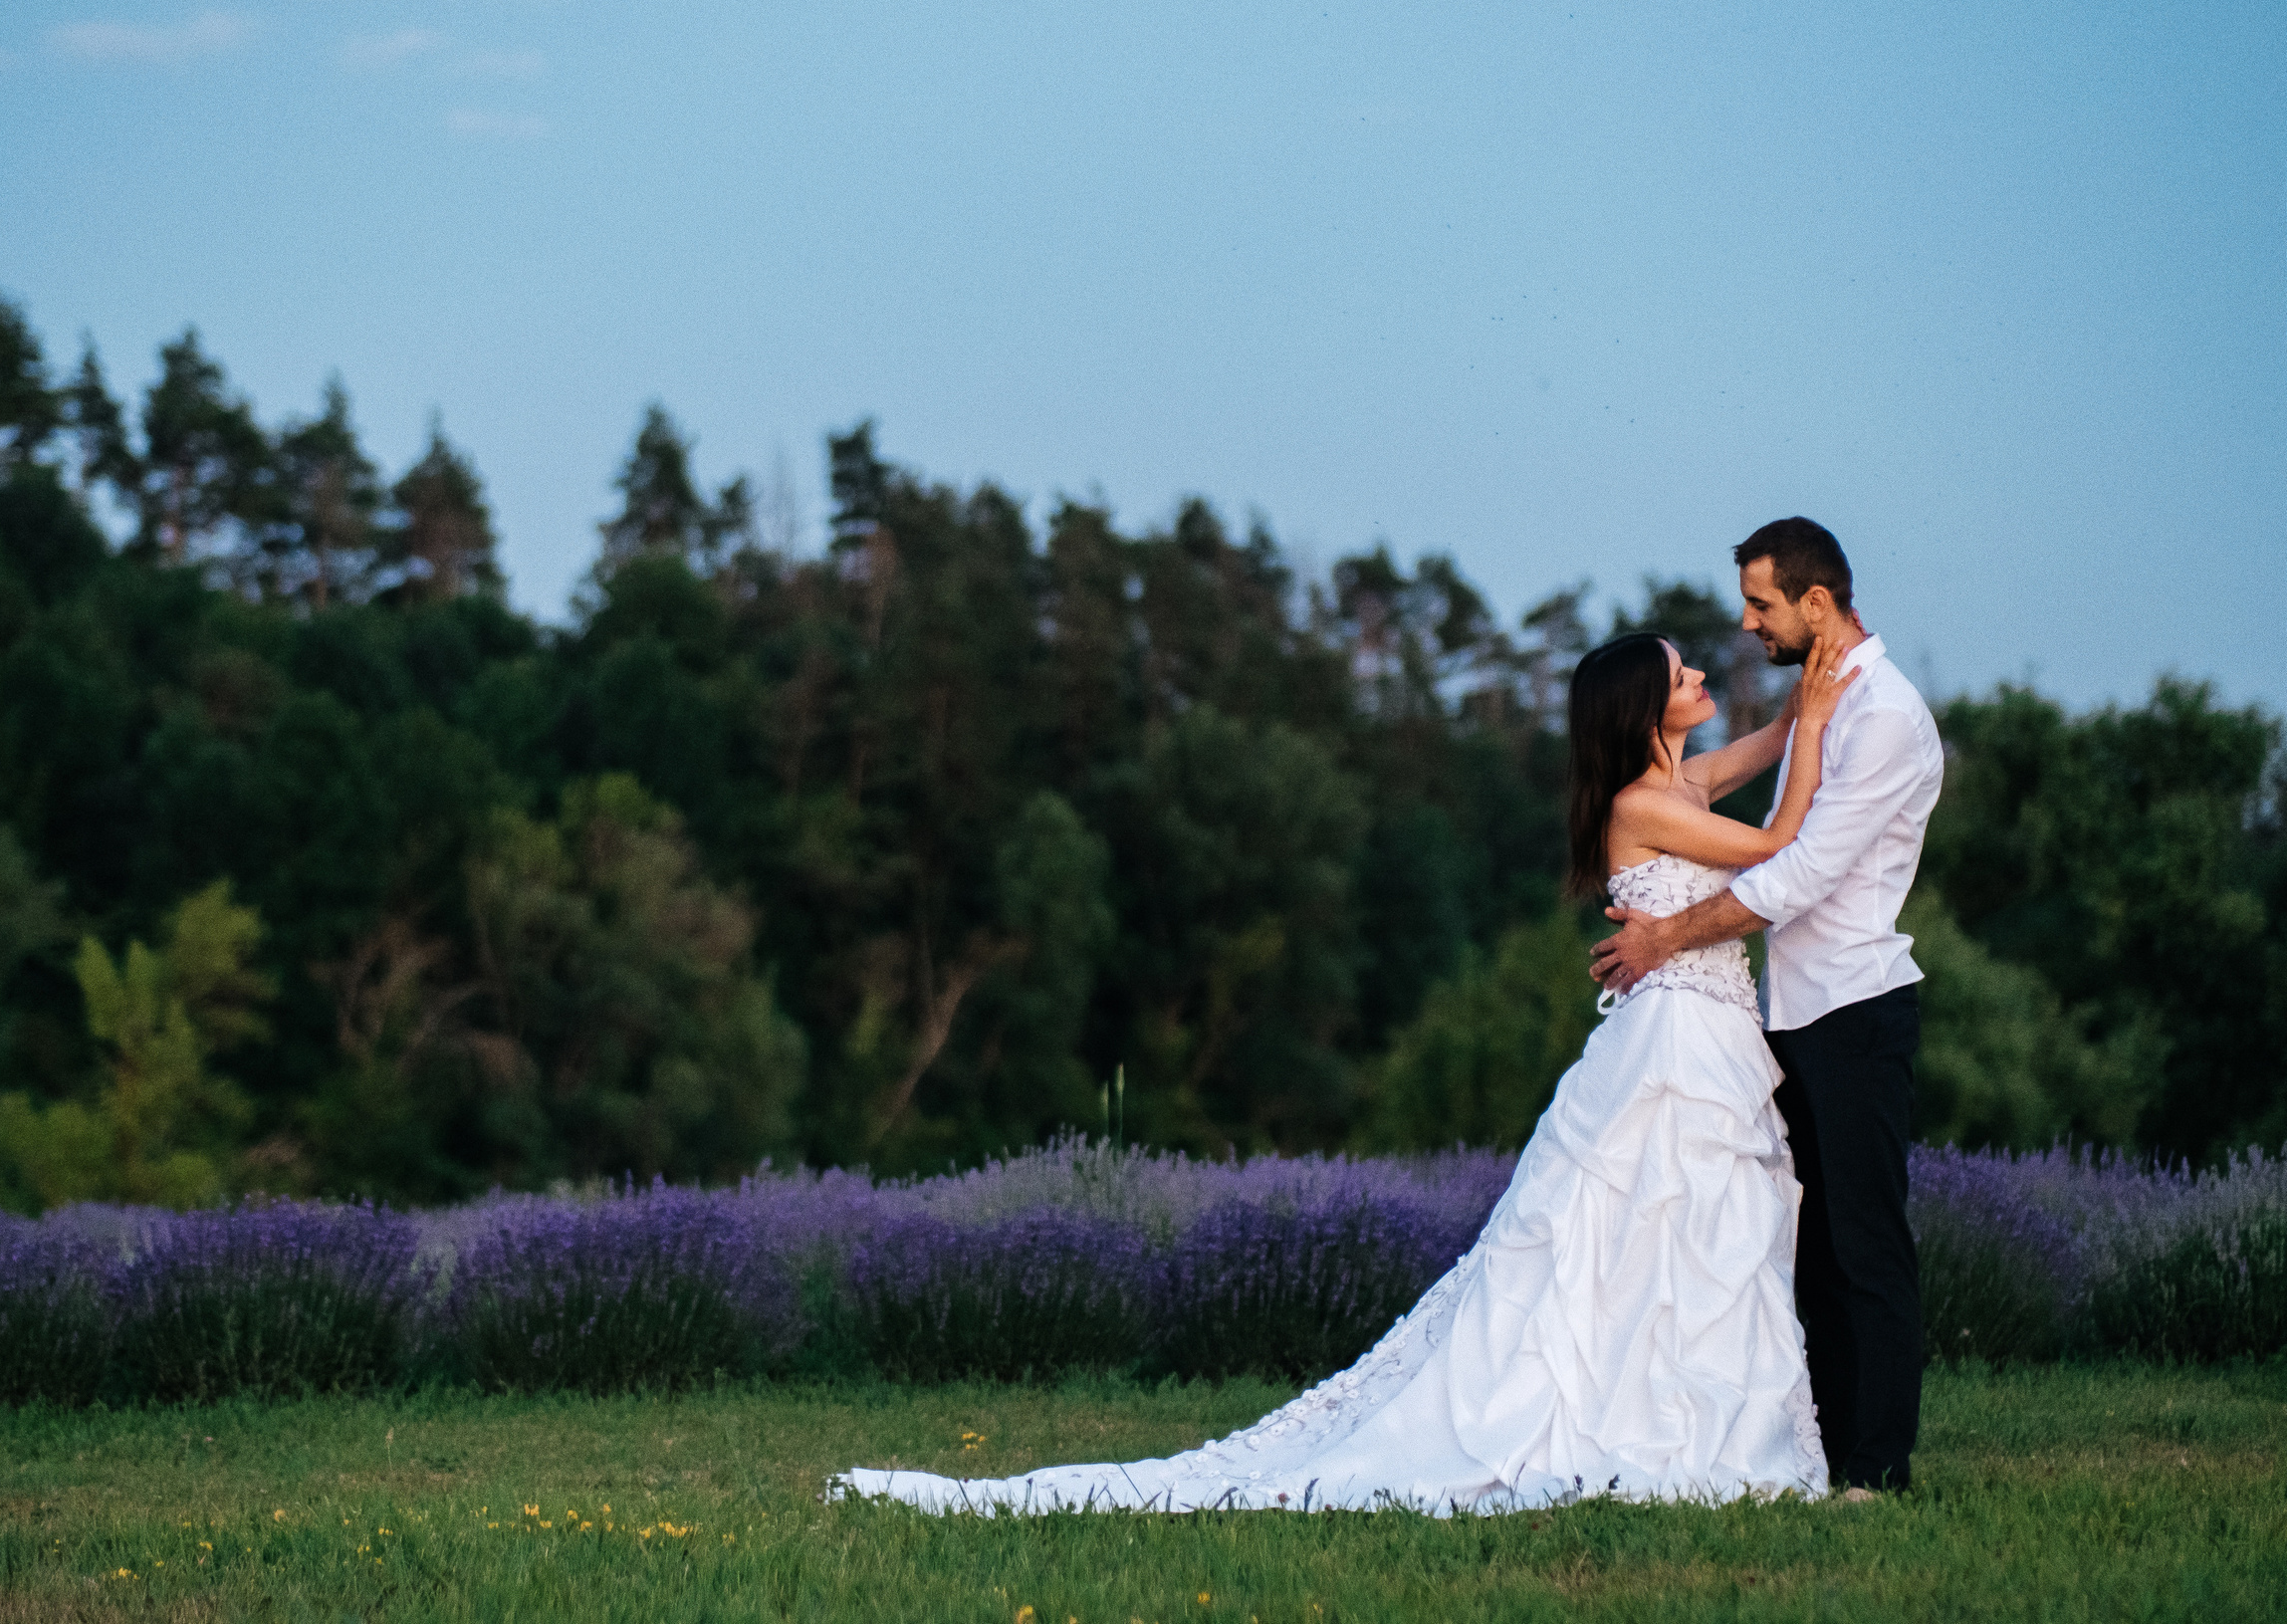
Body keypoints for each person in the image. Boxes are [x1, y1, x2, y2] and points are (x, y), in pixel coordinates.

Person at [831, 594, 1862, 1516]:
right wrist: (1813, 725)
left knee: (1690, 1246)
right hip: (1672, 1046)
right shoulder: (1642, 805)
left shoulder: (1678, 785)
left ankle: (1684, 1412)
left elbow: (1760, 752)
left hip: (1707, 1032)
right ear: (1646, 704)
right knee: (1643, 1238)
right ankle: (1619, 1420)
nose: (1696, 682)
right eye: (1681, 674)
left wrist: (1809, 700)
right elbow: (1780, 846)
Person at [1590, 516, 1943, 1497]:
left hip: (1853, 1010)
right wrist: (1800, 718)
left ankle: (1875, 1466)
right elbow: (1760, 800)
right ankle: (1817, 1451)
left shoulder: (1881, 717)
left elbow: (1801, 872)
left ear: (1815, 602)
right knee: (1809, 1246)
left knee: (1863, 1242)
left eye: (1760, 604)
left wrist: (1663, 936)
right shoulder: (1824, 701)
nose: (1745, 625)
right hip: (1784, 1019)